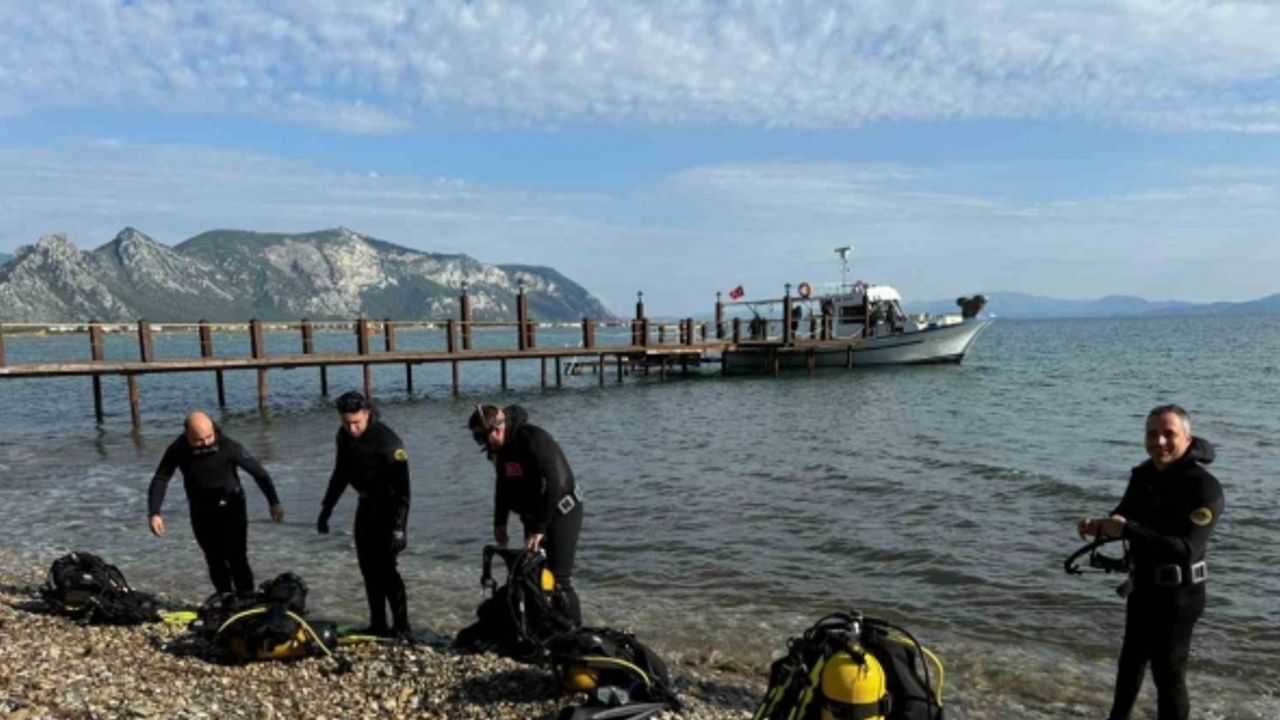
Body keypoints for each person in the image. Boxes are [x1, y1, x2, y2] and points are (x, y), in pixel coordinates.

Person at [1077, 404, 1224, 720]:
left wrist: (1126, 529)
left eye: (1169, 434)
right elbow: (1125, 514)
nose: (1159, 442)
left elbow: (1186, 549)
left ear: (1187, 438)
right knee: (1129, 665)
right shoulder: (1144, 475)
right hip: (1143, 586)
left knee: (1167, 674)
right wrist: (1100, 525)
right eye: (1152, 434)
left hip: (1180, 594)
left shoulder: (1204, 487)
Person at [468, 404, 584, 624]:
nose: (483, 445)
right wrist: (500, 523)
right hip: (534, 516)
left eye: (482, 438)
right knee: (532, 575)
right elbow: (502, 485)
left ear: (497, 430)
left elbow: (555, 485)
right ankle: (544, 627)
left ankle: (574, 630)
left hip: (563, 511)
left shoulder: (534, 439)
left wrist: (540, 529)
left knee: (559, 580)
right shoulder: (499, 450)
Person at [148, 411, 284, 595]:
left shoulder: (228, 446)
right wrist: (154, 513)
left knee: (237, 557)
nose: (205, 443)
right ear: (186, 434)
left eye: (209, 437)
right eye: (198, 440)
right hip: (201, 509)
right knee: (214, 558)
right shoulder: (178, 449)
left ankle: (246, 597)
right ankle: (225, 597)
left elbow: (259, 473)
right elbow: (161, 478)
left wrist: (274, 502)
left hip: (232, 506)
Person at [316, 391, 412, 639]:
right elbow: (340, 474)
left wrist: (400, 528)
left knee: (387, 569)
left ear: (367, 414)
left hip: (390, 509)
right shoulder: (343, 437)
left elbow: (404, 491)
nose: (351, 428)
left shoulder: (388, 441)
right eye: (346, 422)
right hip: (366, 505)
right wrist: (326, 509)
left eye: (356, 422)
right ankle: (378, 624)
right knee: (368, 568)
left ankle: (402, 626)